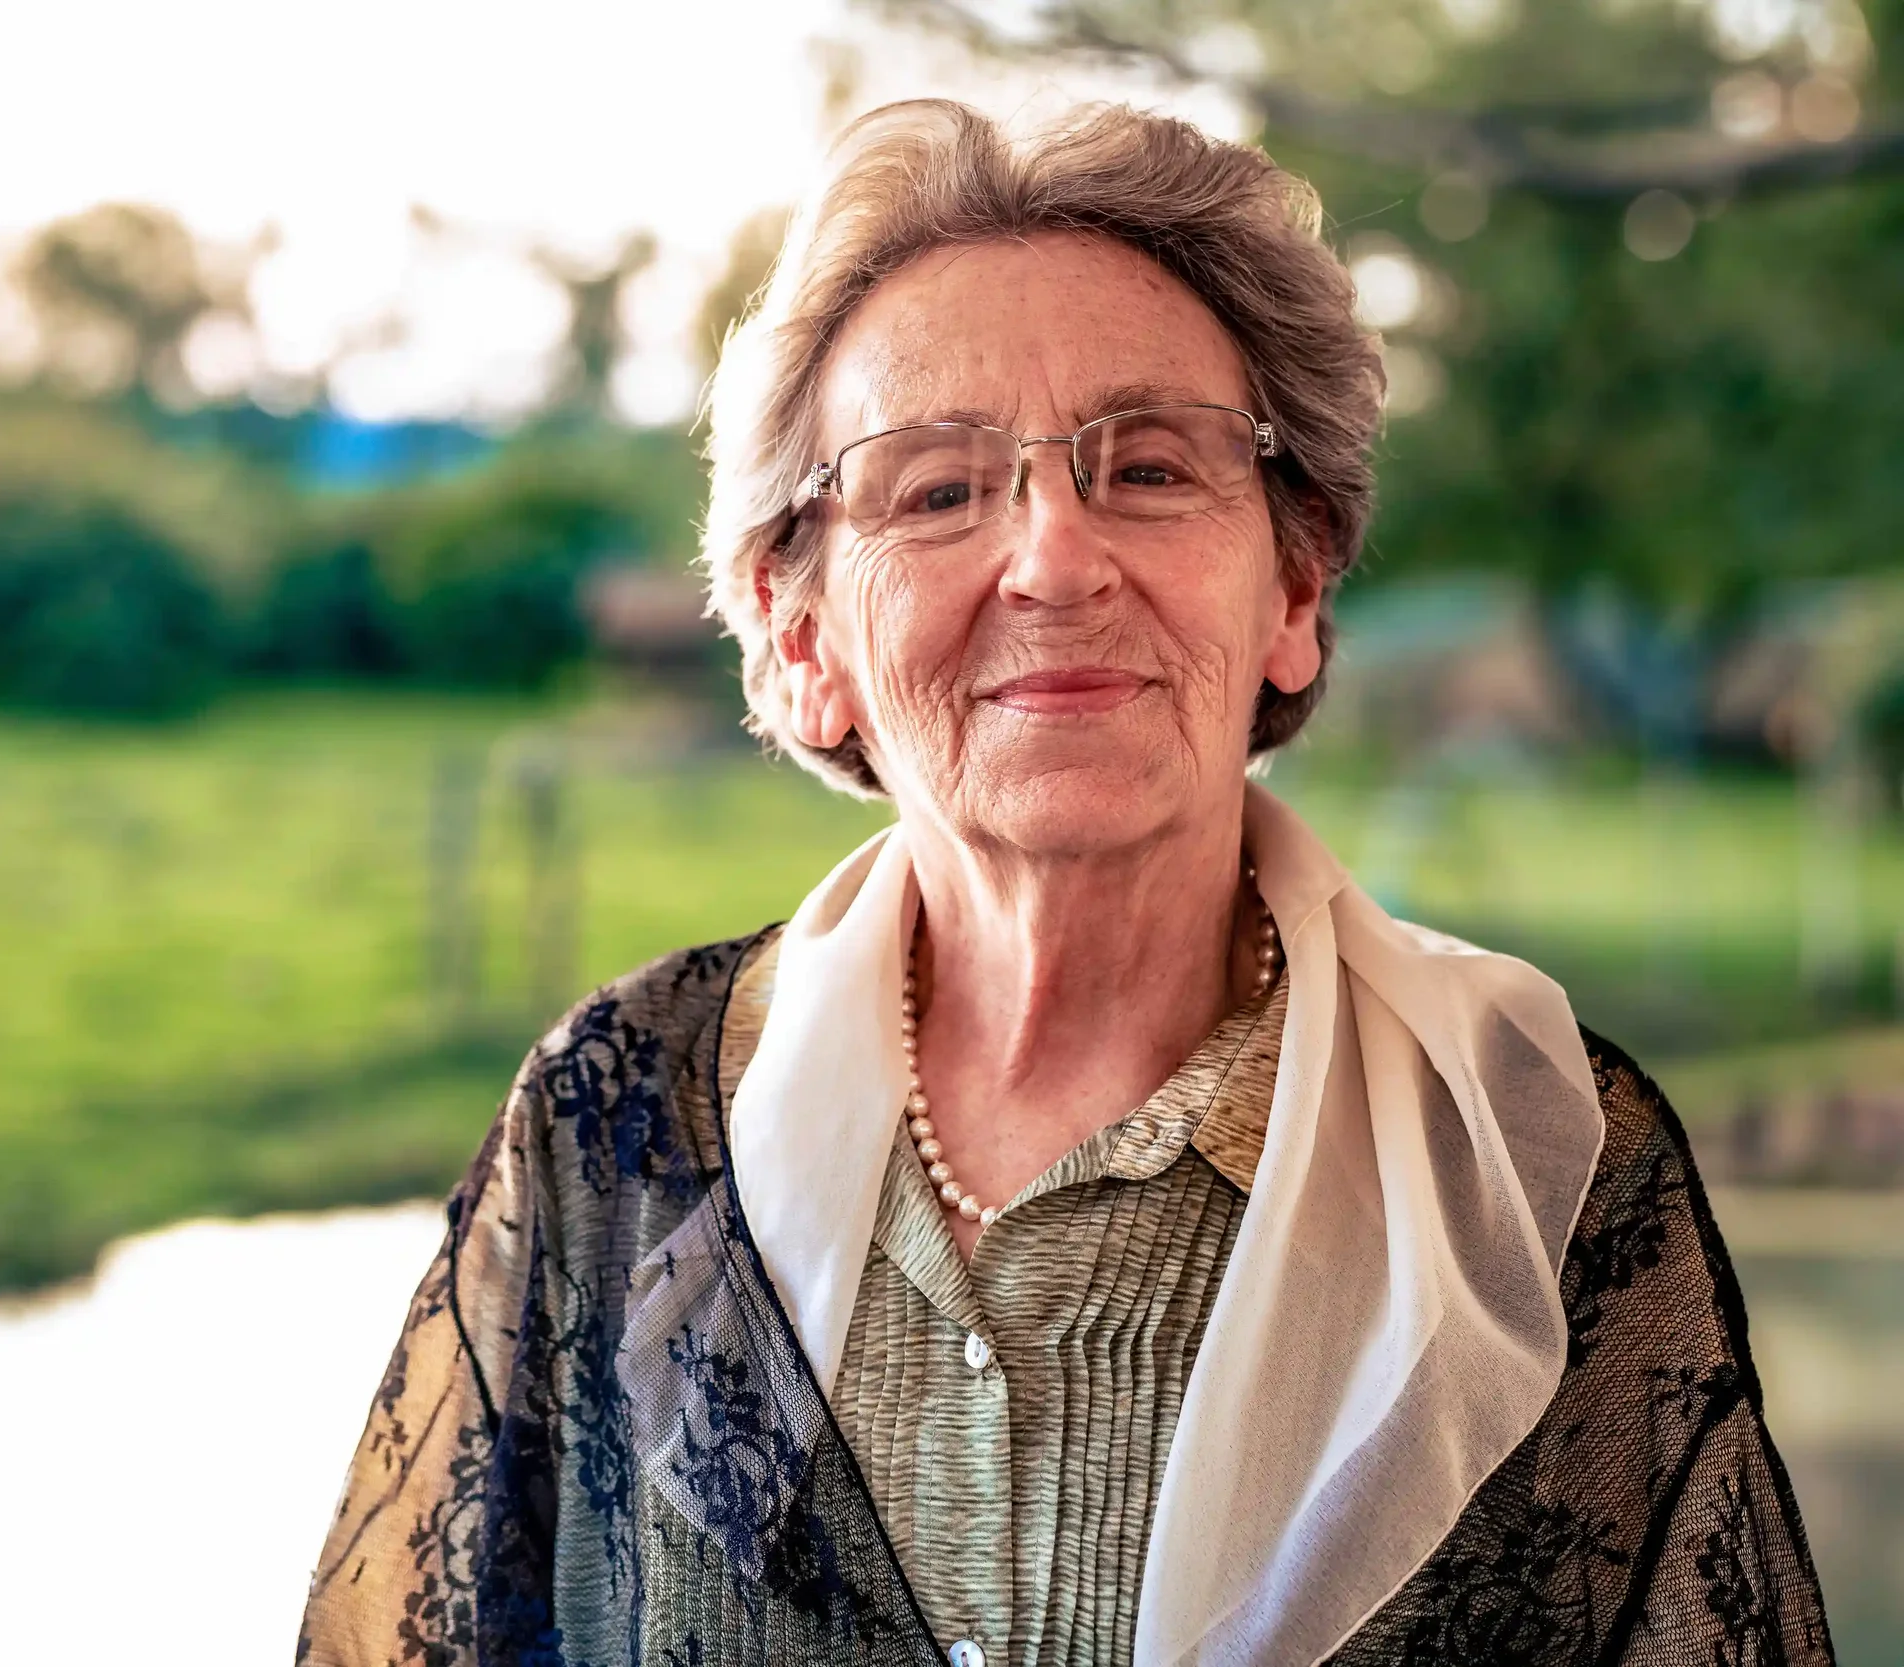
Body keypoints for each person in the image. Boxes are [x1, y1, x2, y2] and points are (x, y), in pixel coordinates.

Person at [297, 100, 1829, 1667]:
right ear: (803, 632)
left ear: (1294, 585)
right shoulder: (618, 1122)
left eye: (1152, 468)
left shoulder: (1538, 1165)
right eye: (938, 489)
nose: (1054, 558)